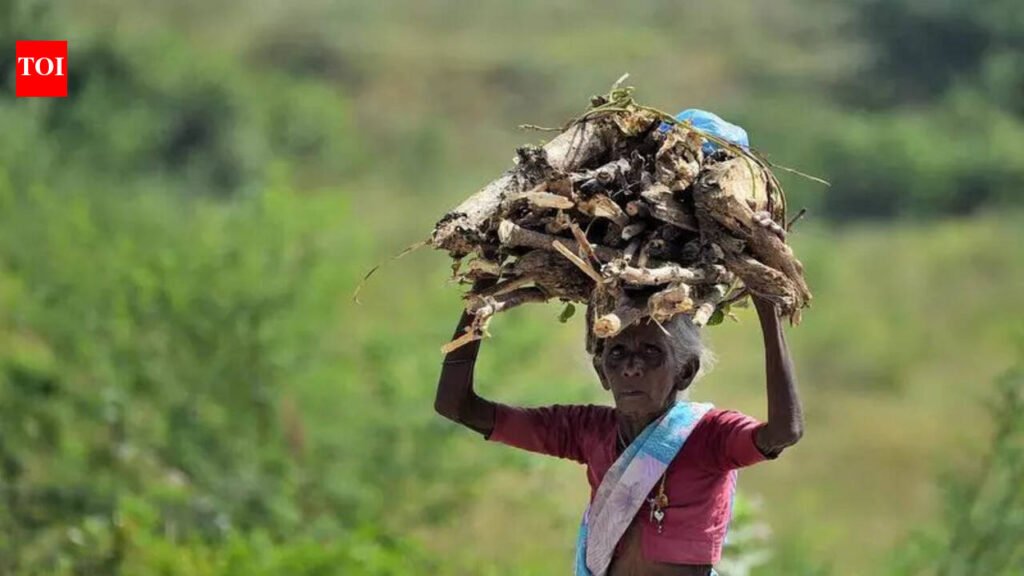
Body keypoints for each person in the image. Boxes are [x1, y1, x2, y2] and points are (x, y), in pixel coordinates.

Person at [435, 220, 802, 574]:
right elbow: (456, 406)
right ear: (601, 372)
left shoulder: (709, 436)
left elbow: (784, 432)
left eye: (651, 353)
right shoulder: (586, 430)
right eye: (618, 354)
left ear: (685, 371)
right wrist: (480, 303)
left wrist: (767, 307)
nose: (631, 368)